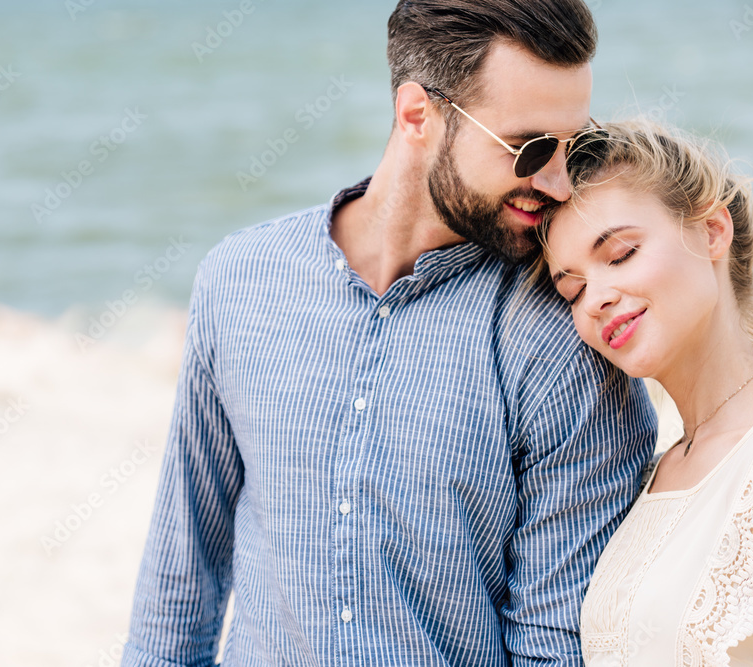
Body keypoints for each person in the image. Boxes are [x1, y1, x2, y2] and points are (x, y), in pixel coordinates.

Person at [122, 2, 657, 665]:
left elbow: (555, 646)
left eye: (573, 147)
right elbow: (179, 588)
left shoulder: (564, 342)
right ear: (417, 116)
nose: (556, 182)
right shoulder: (238, 284)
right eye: (531, 148)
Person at [539, 119, 753, 665]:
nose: (596, 299)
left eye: (619, 255)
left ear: (710, 231)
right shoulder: (652, 470)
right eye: (573, 288)